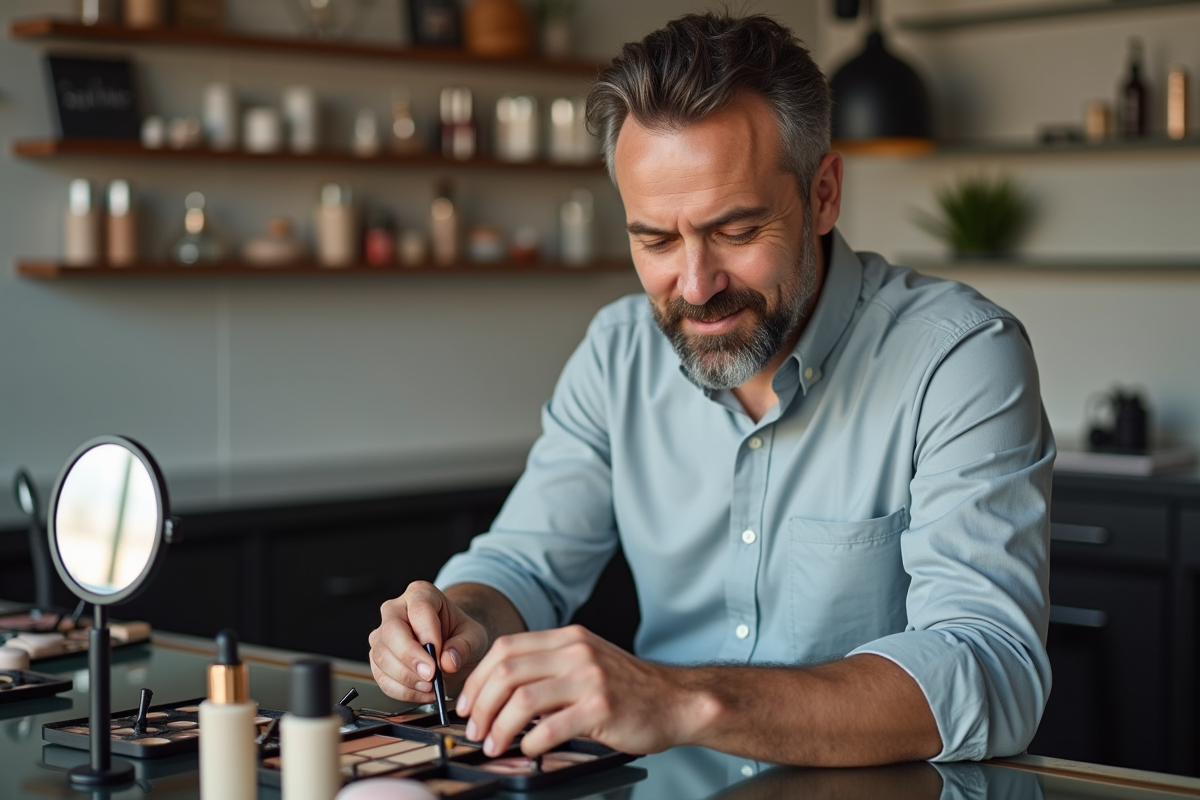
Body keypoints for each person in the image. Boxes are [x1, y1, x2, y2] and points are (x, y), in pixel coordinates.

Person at [369, 12, 1053, 768]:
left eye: (735, 231)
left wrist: (681, 699)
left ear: (824, 195)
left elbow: (990, 670)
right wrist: (458, 618)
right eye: (655, 240)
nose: (695, 286)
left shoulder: (959, 356)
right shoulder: (616, 354)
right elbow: (523, 567)